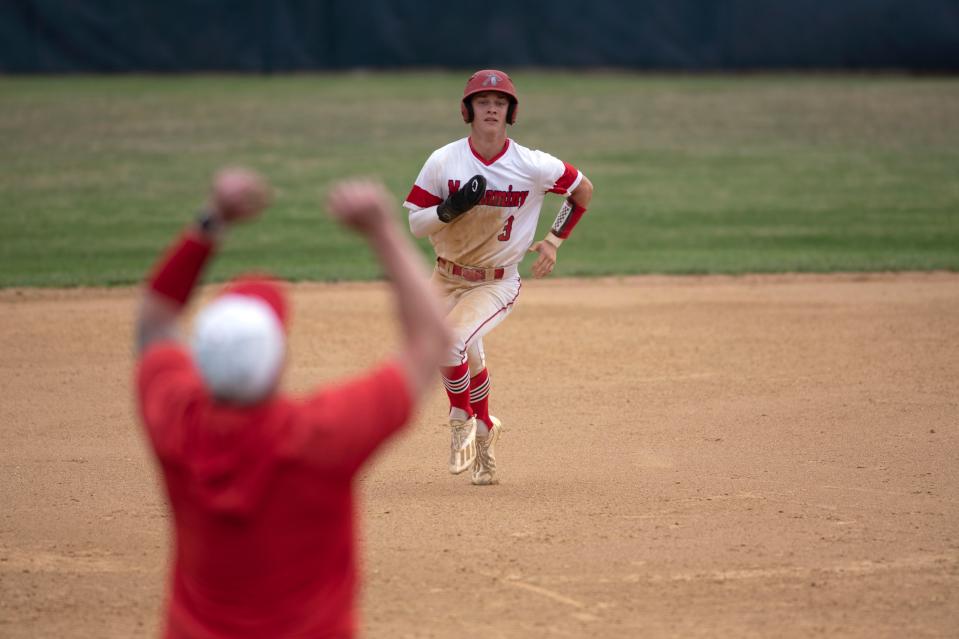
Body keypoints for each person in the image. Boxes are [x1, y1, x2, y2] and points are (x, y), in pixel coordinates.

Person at [135, 168, 450, 638]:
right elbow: (431, 341)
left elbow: (154, 322)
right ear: (277, 359)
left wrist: (212, 219)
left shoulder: (176, 418)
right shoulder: (320, 436)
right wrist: (381, 230)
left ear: (199, 359)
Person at [403, 69, 594, 486]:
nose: (492, 107)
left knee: (449, 342)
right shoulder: (443, 159)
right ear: (467, 110)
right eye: (483, 101)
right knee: (464, 353)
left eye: (501, 102)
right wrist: (448, 210)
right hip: (444, 276)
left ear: (511, 112)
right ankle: (486, 430)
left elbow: (583, 191)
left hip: (496, 282)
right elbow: (417, 224)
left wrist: (554, 240)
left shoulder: (533, 165)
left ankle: (461, 423)